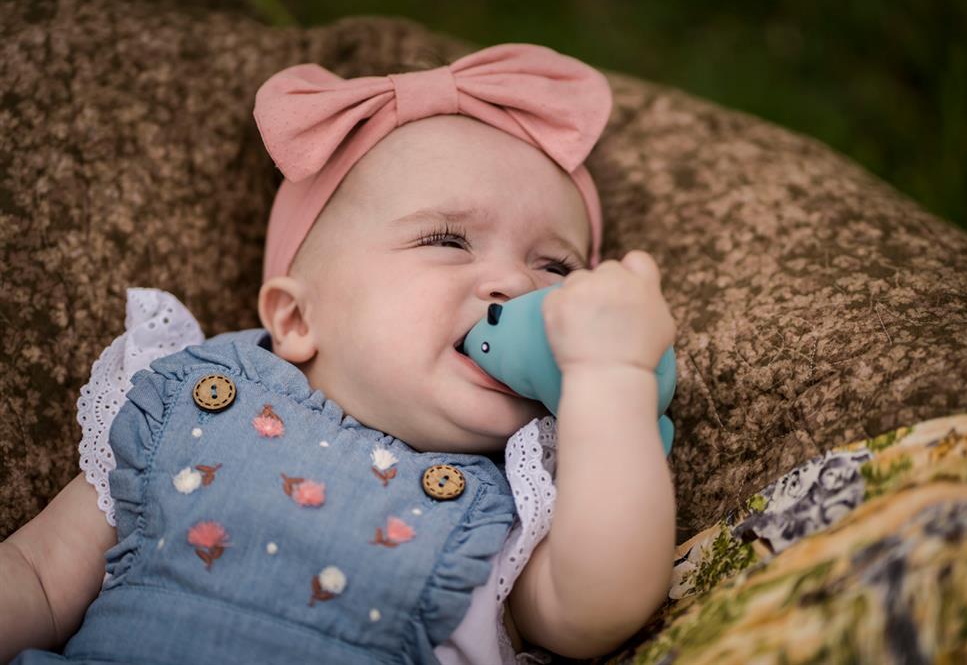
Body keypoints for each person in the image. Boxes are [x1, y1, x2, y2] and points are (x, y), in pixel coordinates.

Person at [1, 43, 677, 663]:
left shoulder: (516, 502)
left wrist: (610, 379)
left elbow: (597, 608)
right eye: (447, 240)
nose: (517, 284)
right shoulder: (181, 406)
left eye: (556, 267)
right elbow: (35, 576)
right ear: (297, 318)